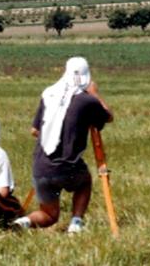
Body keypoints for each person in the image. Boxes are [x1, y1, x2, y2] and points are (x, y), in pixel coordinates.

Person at [13, 57, 113, 233]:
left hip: (41, 167)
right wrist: (95, 94)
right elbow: (107, 116)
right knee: (84, 182)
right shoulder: (87, 101)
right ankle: (76, 222)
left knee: (50, 216)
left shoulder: (48, 94)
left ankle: (22, 223)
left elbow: (35, 130)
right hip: (69, 166)